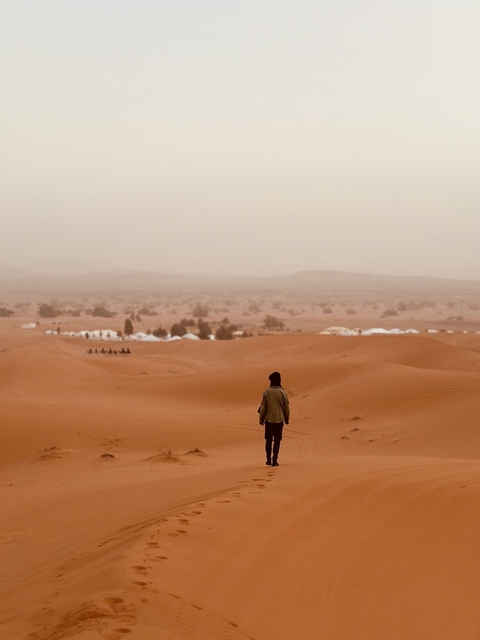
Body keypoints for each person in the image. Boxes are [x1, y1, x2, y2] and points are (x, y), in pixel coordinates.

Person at [258, 371, 290, 466]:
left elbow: (263, 407)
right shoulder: (283, 392)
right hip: (279, 420)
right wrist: (287, 419)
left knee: (268, 440)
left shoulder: (266, 392)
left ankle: (268, 459)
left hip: (269, 420)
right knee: (277, 441)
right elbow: (286, 408)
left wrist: (261, 419)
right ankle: (275, 460)